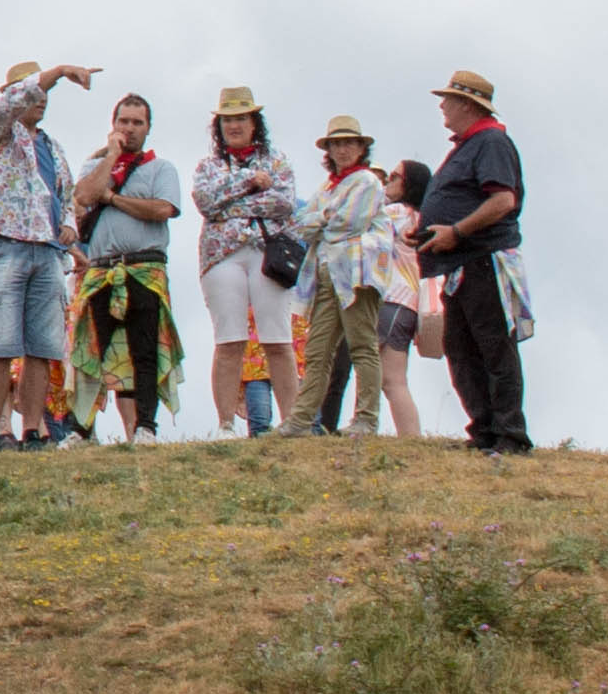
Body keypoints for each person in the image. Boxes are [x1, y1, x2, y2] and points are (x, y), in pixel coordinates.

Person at [0, 62, 96, 449]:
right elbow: (15, 100)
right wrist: (57, 72)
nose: (39, 99)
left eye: (43, 94)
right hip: (5, 243)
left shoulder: (52, 147)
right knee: (0, 344)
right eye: (33, 92)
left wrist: (70, 229)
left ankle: (32, 430)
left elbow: (66, 195)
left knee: (42, 347)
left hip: (47, 250)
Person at [412, 70, 530, 453]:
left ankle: (509, 435)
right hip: (460, 264)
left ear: (467, 104)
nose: (442, 105)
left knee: (493, 346)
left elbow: (502, 201)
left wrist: (457, 232)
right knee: (462, 350)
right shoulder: (470, 144)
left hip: (482, 259)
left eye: (447, 98)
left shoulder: (490, 141)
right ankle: (484, 432)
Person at [64, 92, 187, 444]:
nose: (130, 129)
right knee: (91, 350)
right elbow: (85, 196)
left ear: (148, 128)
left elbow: (162, 209)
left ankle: (146, 426)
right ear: (113, 125)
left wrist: (115, 199)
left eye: (137, 123)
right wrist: (113, 155)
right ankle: (80, 429)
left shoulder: (160, 168)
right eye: (124, 122)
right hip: (101, 270)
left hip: (143, 267)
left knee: (145, 349)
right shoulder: (96, 167)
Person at [188, 87, 303, 436]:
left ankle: (292, 423)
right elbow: (205, 201)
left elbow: (284, 202)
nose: (234, 125)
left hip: (266, 254)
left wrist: (231, 201)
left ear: (254, 123)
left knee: (278, 339)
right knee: (229, 339)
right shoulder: (208, 166)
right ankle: (225, 424)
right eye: (227, 120)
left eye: (241, 118)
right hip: (222, 257)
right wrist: (250, 182)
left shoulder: (277, 161)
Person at [290, 117, 409, 436]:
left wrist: (320, 219)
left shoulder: (368, 181)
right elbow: (302, 224)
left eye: (348, 143)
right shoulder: (330, 186)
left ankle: (366, 417)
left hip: (358, 273)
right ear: (328, 150)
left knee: (361, 344)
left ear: (361, 148)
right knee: (318, 349)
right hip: (330, 272)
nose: (342, 149)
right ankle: (301, 419)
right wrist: (323, 220)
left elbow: (349, 223)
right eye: (336, 144)